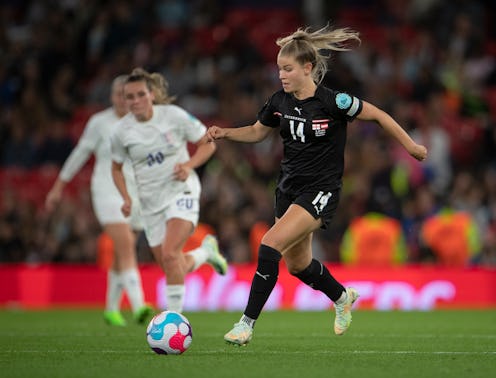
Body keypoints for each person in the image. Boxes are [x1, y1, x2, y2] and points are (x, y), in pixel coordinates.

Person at [207, 25, 427, 346]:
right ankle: (341, 298)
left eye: (288, 69)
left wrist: (410, 146)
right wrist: (226, 133)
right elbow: (257, 132)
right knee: (298, 266)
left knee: (269, 246)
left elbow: (378, 114)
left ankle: (246, 324)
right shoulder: (278, 101)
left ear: (307, 68)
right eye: (279, 68)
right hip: (287, 190)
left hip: (321, 190)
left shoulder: (333, 101)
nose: (281, 75)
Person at [110, 68, 228, 314]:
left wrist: (188, 165)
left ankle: (173, 321)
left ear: (151, 94)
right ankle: (205, 253)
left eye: (140, 94)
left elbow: (208, 144)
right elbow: (116, 169)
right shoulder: (121, 132)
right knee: (171, 264)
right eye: (129, 97)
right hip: (150, 203)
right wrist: (126, 197)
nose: (135, 101)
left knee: (170, 253)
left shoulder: (173, 116)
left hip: (181, 192)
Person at [45, 75, 152, 326]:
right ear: (112, 96)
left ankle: (111, 308)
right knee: (125, 243)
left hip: (135, 192)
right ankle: (138, 306)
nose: (123, 100)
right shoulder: (99, 122)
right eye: (118, 95)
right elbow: (80, 153)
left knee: (122, 250)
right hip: (106, 190)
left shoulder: (142, 122)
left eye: (127, 96)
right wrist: (59, 186)